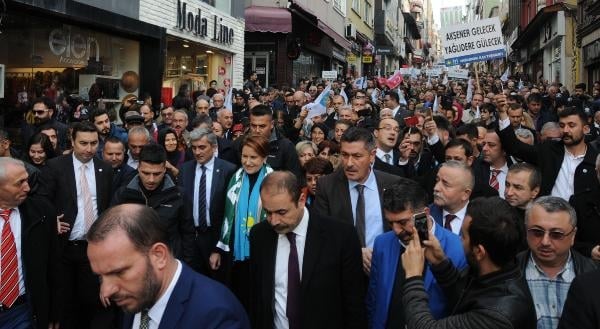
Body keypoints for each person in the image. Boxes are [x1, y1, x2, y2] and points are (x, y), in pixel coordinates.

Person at [86, 204, 250, 329]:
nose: (106, 291)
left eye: (119, 272)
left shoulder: (217, 316)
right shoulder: (137, 296)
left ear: (159, 255)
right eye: (101, 276)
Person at [250, 171, 367, 329]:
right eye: (268, 212)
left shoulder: (341, 236)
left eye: (281, 212)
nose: (274, 221)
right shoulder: (260, 235)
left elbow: (354, 304)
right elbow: (257, 297)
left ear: (302, 200)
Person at [401, 197, 537, 329]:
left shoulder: (497, 317)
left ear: (479, 251)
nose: (459, 239)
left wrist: (413, 276)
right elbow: (463, 295)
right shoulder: (495, 271)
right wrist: (440, 263)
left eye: (464, 236)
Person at [43, 121, 114, 329]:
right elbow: (42, 201)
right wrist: (51, 220)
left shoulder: (105, 169)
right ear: (72, 141)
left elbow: (108, 205)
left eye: (93, 143)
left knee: (91, 304)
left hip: (93, 249)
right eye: (83, 143)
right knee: (66, 304)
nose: (89, 149)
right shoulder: (56, 167)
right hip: (64, 248)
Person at [367, 180, 467, 329]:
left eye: (402, 222)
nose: (396, 230)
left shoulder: (457, 248)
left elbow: (461, 307)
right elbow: (373, 299)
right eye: (390, 223)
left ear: (424, 213)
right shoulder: (382, 243)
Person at [313, 127, 403, 274]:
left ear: (372, 155)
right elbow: (321, 234)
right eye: (345, 155)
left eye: (357, 156)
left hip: (386, 270)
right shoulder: (327, 186)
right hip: (343, 272)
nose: (349, 163)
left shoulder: (393, 184)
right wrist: (355, 252)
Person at [211, 133, 273, 308]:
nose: (248, 162)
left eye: (253, 157)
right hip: (236, 255)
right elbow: (225, 215)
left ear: (264, 157)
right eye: (244, 156)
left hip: (263, 254)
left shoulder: (273, 180)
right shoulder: (234, 177)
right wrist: (218, 248)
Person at [517, 196, 597, 329]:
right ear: (526, 231)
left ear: (573, 235)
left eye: (556, 234)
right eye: (537, 232)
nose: (545, 242)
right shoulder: (508, 273)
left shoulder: (592, 274)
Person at [0, 158, 59, 329]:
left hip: (22, 312)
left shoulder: (41, 212)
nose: (27, 187)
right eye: (20, 183)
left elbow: (53, 265)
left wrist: (52, 312)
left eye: (27, 180)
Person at [111, 143, 194, 265]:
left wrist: (185, 266)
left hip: (167, 265)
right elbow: (113, 230)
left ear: (165, 169)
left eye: (156, 174)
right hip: (133, 265)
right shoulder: (123, 195)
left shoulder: (179, 196)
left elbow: (188, 234)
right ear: (138, 168)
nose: (151, 179)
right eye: (146, 173)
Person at [497, 102, 599, 200]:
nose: (565, 130)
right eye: (562, 125)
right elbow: (515, 147)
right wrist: (502, 113)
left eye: (571, 125)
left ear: (585, 129)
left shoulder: (595, 159)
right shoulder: (548, 151)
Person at [178, 128, 236, 277]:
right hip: (192, 239)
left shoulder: (228, 170)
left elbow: (229, 212)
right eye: (194, 148)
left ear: (214, 147)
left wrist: (219, 247)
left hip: (216, 239)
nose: (197, 152)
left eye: (202, 147)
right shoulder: (185, 170)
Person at [232, 105, 301, 176]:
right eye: (253, 126)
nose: (257, 130)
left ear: (272, 124)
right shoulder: (239, 143)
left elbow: (294, 179)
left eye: (262, 126)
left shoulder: (286, 147)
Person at [429, 160, 473, 235]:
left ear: (465, 194)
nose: (436, 188)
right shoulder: (426, 215)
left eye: (446, 184)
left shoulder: (481, 220)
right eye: (437, 180)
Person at [570, 153, 600, 258]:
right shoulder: (579, 202)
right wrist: (590, 251)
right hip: (591, 267)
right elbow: (568, 240)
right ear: (597, 171)